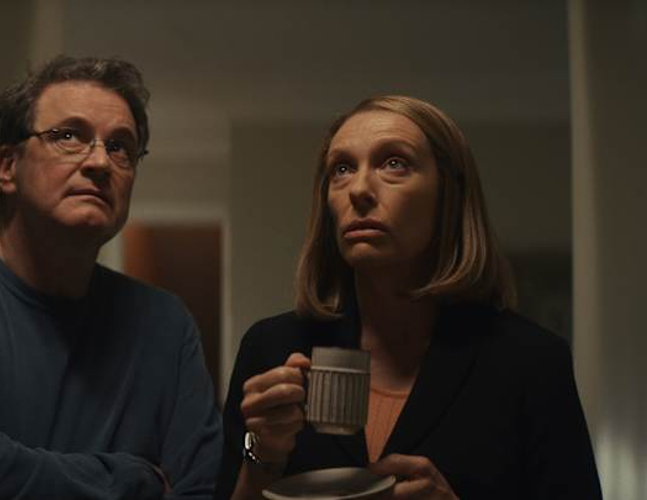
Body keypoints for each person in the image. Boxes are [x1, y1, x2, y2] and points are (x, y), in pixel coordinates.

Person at [0, 55, 222, 499]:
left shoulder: (165, 326)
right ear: (8, 165)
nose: (100, 162)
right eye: (68, 136)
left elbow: (200, 493)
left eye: (120, 147)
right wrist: (139, 481)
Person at [215, 96, 602, 499]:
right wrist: (262, 453)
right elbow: (239, 476)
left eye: (394, 163)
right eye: (342, 169)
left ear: (449, 195)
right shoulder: (271, 348)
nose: (359, 190)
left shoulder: (530, 363)